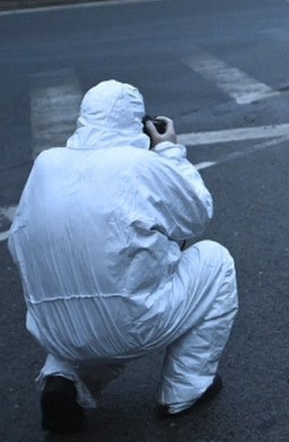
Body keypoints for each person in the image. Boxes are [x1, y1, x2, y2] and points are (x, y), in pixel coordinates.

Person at [7, 80, 239, 434]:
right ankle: (186, 388)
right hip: (128, 325)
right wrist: (168, 151)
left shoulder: (45, 165)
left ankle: (61, 377)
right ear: (136, 123)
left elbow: (19, 243)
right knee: (215, 261)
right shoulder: (139, 164)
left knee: (78, 292)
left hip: (54, 330)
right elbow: (196, 213)